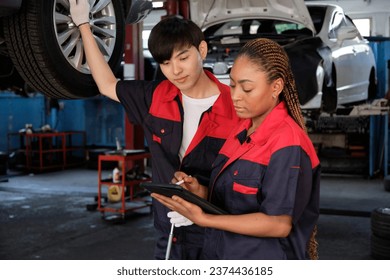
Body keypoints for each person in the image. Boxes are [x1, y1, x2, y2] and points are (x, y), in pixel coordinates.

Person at [69, 1, 240, 260]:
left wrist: (203, 205)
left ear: (201, 50)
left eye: (183, 58)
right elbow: (106, 84)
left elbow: (247, 179)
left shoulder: (237, 109)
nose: (176, 70)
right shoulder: (155, 98)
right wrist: (84, 25)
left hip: (218, 234)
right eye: (166, 62)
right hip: (168, 231)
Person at [152, 38, 321, 260]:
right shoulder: (241, 131)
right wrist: (200, 193)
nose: (235, 96)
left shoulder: (287, 143)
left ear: (276, 87)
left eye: (247, 88)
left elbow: (278, 224)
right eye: (232, 85)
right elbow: (234, 199)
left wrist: (204, 218)